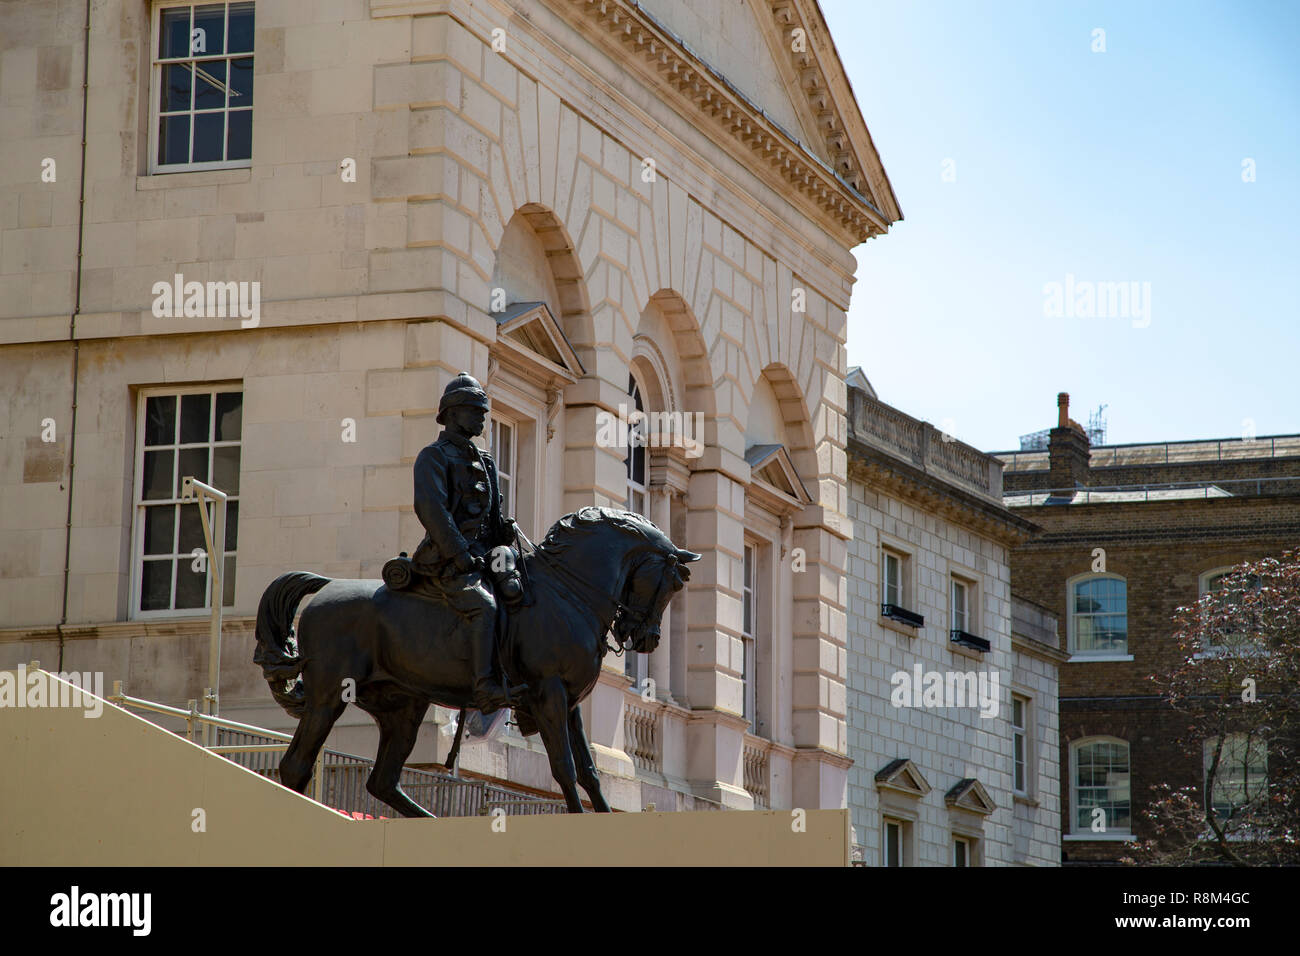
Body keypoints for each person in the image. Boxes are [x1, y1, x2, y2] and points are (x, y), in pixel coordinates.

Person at [411, 372, 522, 714]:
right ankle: (484, 686)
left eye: (483, 411)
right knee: (484, 606)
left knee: (524, 593)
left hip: (485, 556)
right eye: (476, 410)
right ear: (454, 412)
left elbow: (491, 517)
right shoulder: (434, 456)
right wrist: (459, 555)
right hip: (448, 559)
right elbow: (432, 510)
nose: (482, 418)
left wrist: (503, 531)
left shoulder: (485, 460)